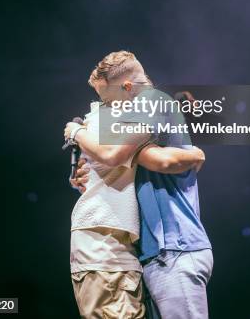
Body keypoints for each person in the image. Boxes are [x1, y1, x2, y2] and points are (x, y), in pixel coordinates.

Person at [67, 50, 213, 319]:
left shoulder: (151, 101)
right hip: (156, 253)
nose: (108, 109)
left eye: (109, 100)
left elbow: (144, 158)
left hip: (174, 249)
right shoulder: (139, 115)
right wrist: (89, 167)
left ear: (127, 87)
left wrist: (78, 133)